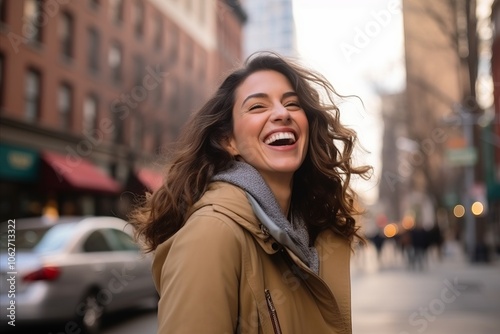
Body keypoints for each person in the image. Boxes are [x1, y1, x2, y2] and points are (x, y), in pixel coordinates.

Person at [130, 52, 371, 334]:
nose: (282, 113)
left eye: (292, 104)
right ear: (228, 141)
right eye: (257, 106)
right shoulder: (211, 234)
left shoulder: (307, 236)